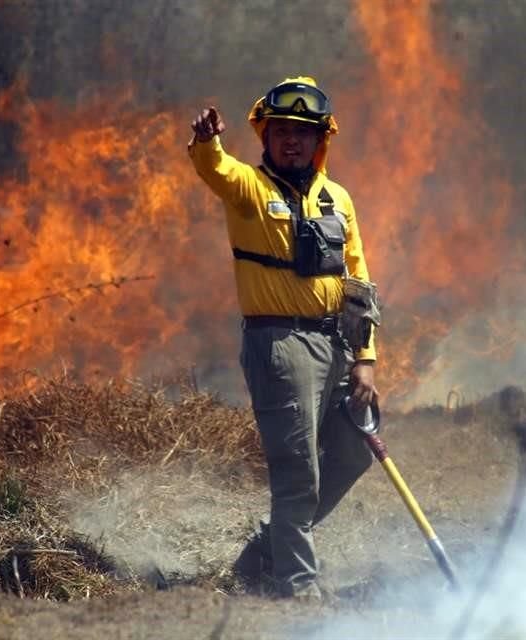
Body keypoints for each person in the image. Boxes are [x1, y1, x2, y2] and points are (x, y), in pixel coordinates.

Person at [188, 77, 380, 600]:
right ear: (264, 136)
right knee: (299, 470)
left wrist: (364, 357)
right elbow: (216, 169)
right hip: (280, 346)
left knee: (354, 451)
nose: (291, 140)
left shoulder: (337, 198)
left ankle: (264, 555)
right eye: (280, 131)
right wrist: (208, 142)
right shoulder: (250, 187)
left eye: (303, 132)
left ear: (321, 141)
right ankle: (296, 585)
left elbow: (358, 280)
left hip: (338, 346)